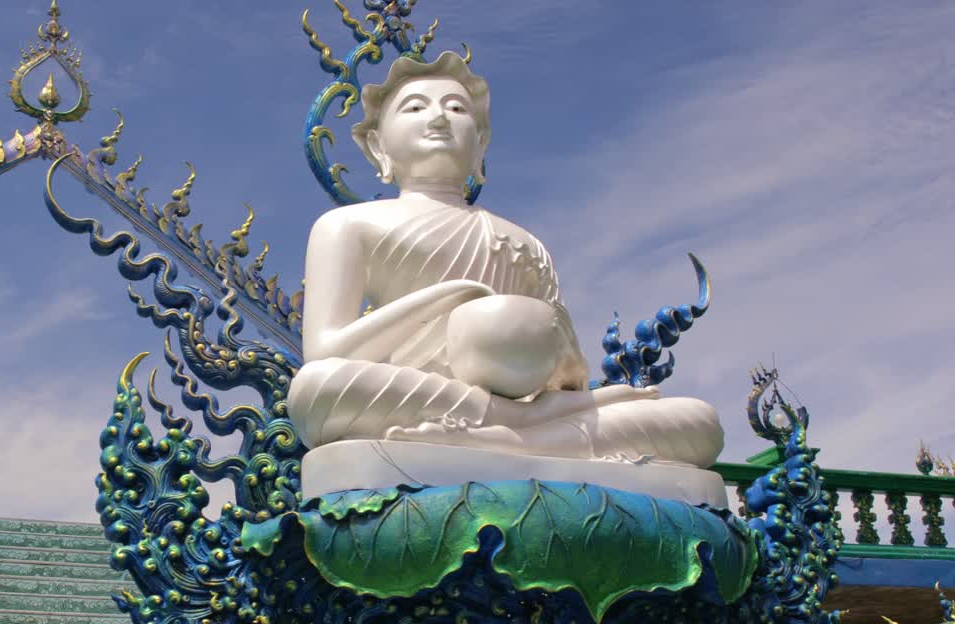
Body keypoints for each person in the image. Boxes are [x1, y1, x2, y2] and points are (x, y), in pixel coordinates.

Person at [287, 51, 724, 468]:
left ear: (480, 145)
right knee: (317, 390)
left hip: (527, 402)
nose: (438, 118)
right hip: (413, 391)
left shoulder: (525, 242)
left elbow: (565, 373)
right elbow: (326, 353)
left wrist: (552, 359)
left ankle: (511, 434)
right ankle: (525, 432)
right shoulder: (348, 226)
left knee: (699, 421)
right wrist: (455, 296)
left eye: (457, 109)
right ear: (378, 146)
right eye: (415, 108)